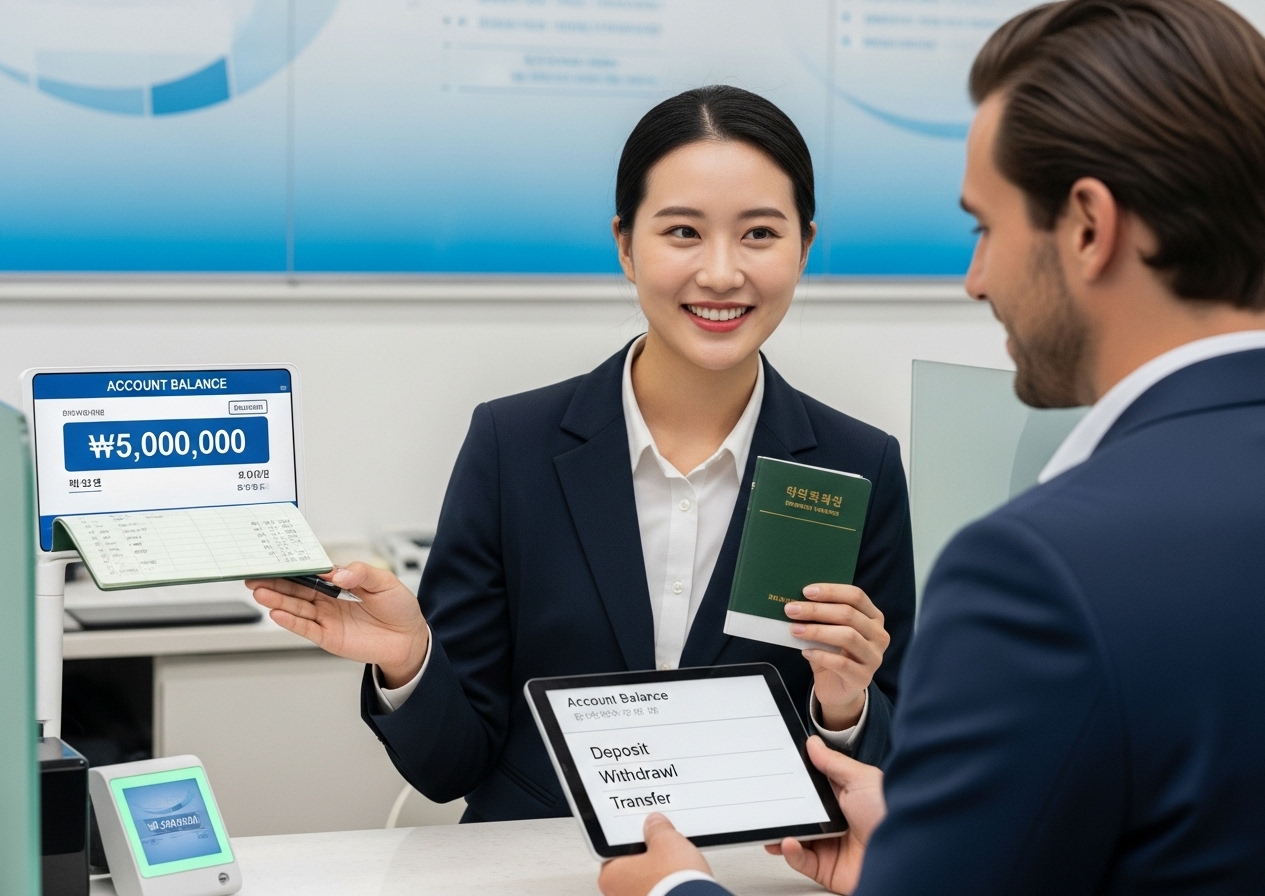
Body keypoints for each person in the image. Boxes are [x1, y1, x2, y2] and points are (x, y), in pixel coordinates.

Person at [598, 1, 1265, 893]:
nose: (975, 280)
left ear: (1087, 226)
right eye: (682, 230)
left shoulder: (1037, 571)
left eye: (985, 228)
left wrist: (672, 891)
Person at [248, 86, 916, 823]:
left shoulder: (857, 467)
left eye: (759, 233)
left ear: (805, 247)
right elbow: (450, 769)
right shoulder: (514, 447)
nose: (723, 273)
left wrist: (846, 704)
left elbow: (887, 766)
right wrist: (411, 661)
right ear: (626, 245)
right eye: (683, 232)